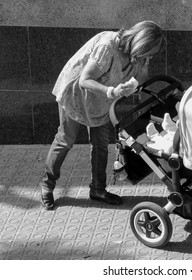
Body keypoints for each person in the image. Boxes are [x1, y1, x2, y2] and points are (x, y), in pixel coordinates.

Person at [40, 21, 166, 210]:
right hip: (76, 94)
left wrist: (131, 86)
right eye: (150, 52)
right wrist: (111, 92)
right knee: (66, 139)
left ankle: (98, 190)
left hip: (101, 100)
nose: (150, 57)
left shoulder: (139, 56)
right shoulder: (108, 46)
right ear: (141, 44)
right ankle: (46, 186)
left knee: (100, 144)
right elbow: (85, 79)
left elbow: (141, 79)